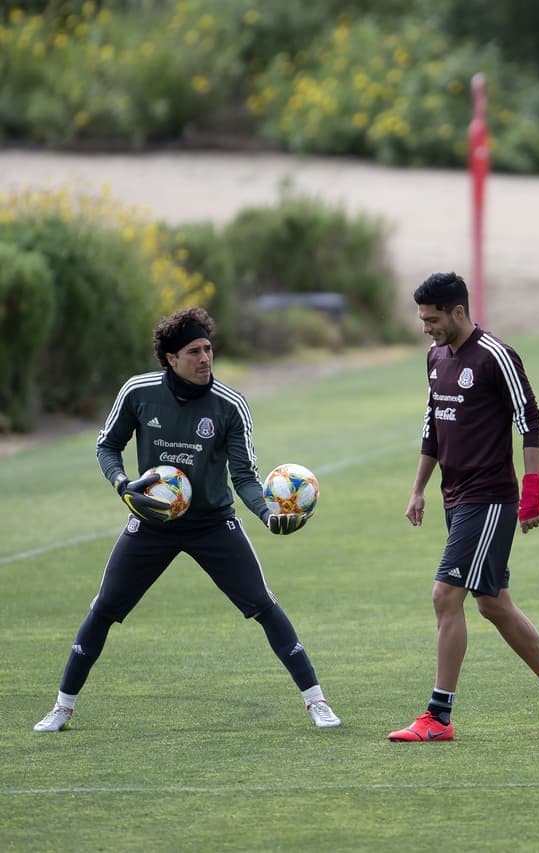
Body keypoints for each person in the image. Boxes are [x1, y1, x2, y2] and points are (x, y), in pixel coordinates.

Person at [33, 307, 339, 732]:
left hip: (213, 524)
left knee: (263, 605)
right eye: (194, 351)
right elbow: (107, 447)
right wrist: (124, 484)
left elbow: (245, 477)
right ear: (170, 359)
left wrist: (269, 514)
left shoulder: (230, 406)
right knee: (104, 608)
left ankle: (316, 701)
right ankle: (62, 708)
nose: (205, 358)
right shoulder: (138, 393)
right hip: (153, 523)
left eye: (209, 349)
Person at [389, 272, 539, 742]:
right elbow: (433, 425)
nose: (426, 328)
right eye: (421, 319)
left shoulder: (496, 356)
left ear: (459, 311)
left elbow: (530, 421)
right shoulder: (435, 358)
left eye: (432, 319)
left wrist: (533, 491)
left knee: (445, 596)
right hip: (453, 497)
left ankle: (438, 718)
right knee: (493, 604)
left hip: (490, 497)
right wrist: (418, 488)